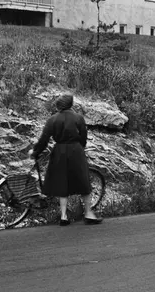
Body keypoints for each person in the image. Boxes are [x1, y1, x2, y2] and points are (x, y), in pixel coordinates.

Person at [29, 93, 103, 226]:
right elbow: (83, 137)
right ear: (71, 104)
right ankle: (88, 213)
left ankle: (63, 216)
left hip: (60, 151)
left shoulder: (52, 119)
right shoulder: (78, 118)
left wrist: (35, 152)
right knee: (83, 181)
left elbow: (44, 139)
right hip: (76, 150)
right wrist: (80, 148)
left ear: (58, 106)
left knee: (62, 181)